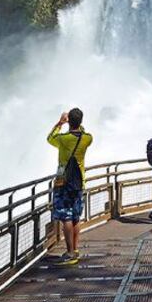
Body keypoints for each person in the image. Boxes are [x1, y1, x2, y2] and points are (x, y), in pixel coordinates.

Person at [47, 108, 93, 265]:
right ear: (81, 121)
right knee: (75, 217)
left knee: (66, 217)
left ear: (69, 122)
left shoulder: (63, 139)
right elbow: (82, 131)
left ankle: (70, 253)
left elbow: (50, 138)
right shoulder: (87, 138)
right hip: (79, 182)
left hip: (63, 182)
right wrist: (76, 124)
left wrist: (60, 123)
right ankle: (75, 248)